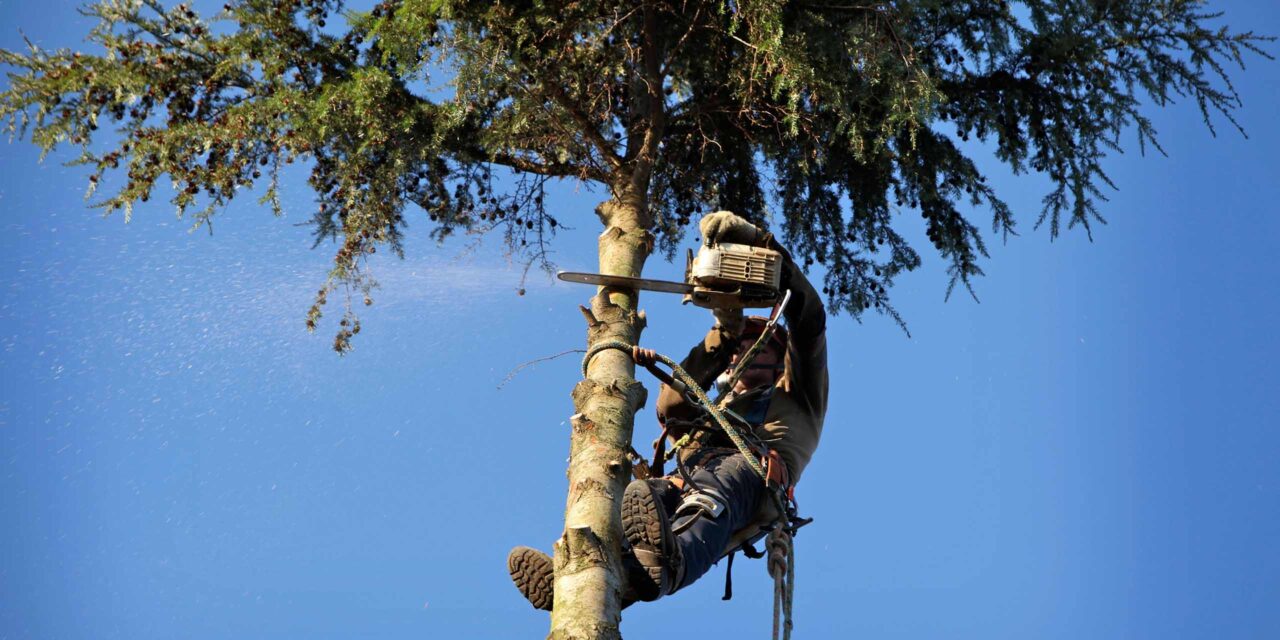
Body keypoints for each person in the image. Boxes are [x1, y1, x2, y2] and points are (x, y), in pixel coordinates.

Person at [508, 210, 829, 609]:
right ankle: (585, 578)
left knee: (705, 503)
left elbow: (810, 319)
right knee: (644, 510)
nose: (745, 353)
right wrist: (724, 331)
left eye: (756, 345)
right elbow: (672, 409)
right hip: (690, 475)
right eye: (740, 349)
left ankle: (669, 567)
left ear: (780, 356)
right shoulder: (719, 408)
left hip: (748, 476)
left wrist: (765, 247)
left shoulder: (799, 395)